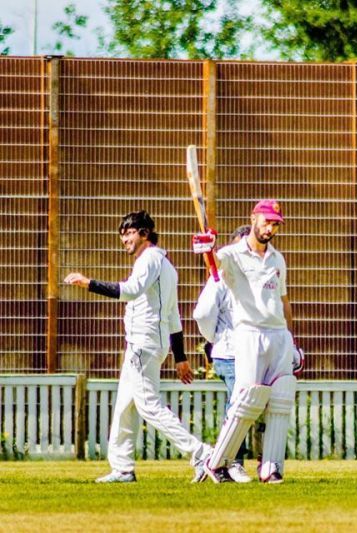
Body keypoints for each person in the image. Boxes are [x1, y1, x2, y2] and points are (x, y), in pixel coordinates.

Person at [64, 210, 211, 483]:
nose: (124, 240)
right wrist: (180, 357)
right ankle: (122, 468)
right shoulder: (166, 265)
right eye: (122, 235)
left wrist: (89, 283)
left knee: (149, 407)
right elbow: (173, 316)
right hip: (144, 345)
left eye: (129, 233)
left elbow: (130, 290)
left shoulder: (150, 260)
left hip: (143, 345)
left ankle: (202, 453)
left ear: (144, 233)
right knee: (124, 407)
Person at [192, 199, 301, 484]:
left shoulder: (277, 258)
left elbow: (283, 301)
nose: (271, 227)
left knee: (282, 397)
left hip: (278, 335)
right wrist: (207, 247)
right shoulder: (233, 253)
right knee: (246, 400)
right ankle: (216, 463)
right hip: (249, 333)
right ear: (254, 218)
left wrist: (292, 339)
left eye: (276, 223)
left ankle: (271, 467)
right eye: (266, 221)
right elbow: (214, 265)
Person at [192, 224, 253, 483]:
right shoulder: (219, 279)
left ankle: (223, 460)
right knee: (237, 407)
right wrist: (216, 338)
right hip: (230, 354)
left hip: (251, 352)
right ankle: (230, 463)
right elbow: (203, 314)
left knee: (247, 407)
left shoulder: (256, 277)